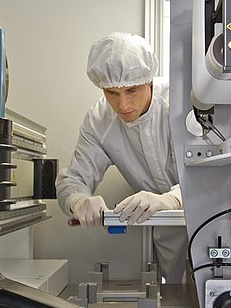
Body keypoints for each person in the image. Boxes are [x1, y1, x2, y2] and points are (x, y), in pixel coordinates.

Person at [56, 32, 187, 283]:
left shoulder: (179, 103)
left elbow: (214, 175)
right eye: (112, 93)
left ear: (148, 81)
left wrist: (171, 199)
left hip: (210, 216)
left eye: (132, 90)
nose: (123, 104)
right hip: (167, 228)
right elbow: (72, 179)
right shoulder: (99, 121)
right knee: (178, 295)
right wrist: (79, 201)